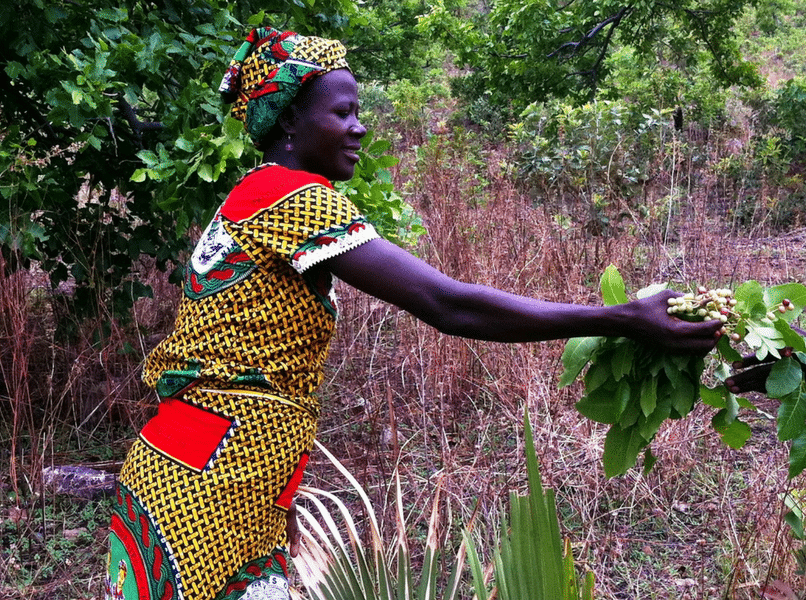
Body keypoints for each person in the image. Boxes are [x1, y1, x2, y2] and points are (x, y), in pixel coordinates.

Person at [103, 27, 721, 600]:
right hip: (208, 492)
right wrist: (621, 319)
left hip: (200, 472)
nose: (359, 128)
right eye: (342, 112)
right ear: (291, 121)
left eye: (358, 112)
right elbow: (447, 303)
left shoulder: (251, 200)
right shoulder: (291, 197)